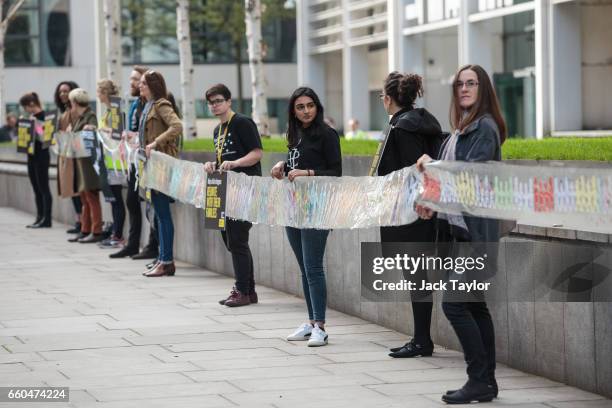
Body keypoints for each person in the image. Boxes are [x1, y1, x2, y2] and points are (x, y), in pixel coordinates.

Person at [416, 64, 506, 404]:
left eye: (471, 83)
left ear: (483, 90)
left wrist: (432, 164)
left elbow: (469, 178)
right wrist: (432, 203)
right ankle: (487, 383)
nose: (464, 89)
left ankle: (478, 378)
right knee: (475, 306)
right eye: (460, 84)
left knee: (454, 305)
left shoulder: (484, 128)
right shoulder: (462, 128)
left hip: (476, 236)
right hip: (461, 232)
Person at [377, 72, 445, 359]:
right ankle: (420, 339)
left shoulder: (403, 128)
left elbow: (412, 169)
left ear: (389, 99)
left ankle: (421, 340)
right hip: (421, 211)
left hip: (411, 213)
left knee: (416, 278)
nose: (382, 100)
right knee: (419, 277)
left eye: (382, 95)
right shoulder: (421, 122)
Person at [271, 87, 341, 346]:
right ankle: (311, 322)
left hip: (317, 209)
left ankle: (320, 327)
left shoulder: (327, 134)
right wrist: (282, 166)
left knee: (313, 267)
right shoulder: (295, 134)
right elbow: (295, 165)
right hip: (294, 208)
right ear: (293, 111)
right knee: (304, 269)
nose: (306, 111)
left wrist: (307, 173)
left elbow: (335, 172)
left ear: (317, 106)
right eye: (300, 107)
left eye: (310, 105)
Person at [203, 84, 263, 307]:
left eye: (218, 101)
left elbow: (257, 154)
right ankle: (249, 290)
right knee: (230, 240)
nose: (214, 105)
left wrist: (236, 163)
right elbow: (221, 159)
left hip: (244, 190)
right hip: (222, 189)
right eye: (210, 103)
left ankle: (242, 290)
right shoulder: (217, 131)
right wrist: (212, 164)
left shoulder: (242, 122)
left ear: (229, 101)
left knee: (238, 240)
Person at [110, 65, 157, 259]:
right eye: (132, 79)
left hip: (149, 160)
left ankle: (153, 247)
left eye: (136, 79)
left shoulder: (155, 103)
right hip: (134, 160)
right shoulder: (137, 103)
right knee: (132, 200)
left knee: (152, 204)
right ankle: (133, 243)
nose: (132, 83)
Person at [139, 70, 182, 277]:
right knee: (157, 213)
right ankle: (162, 258)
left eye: (144, 84)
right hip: (150, 165)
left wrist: (156, 143)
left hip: (162, 165)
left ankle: (166, 261)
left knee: (163, 214)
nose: (140, 86)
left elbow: (177, 126)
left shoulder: (161, 104)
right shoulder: (147, 106)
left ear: (153, 86)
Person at [66, 88, 105, 243]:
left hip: (89, 164)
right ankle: (85, 229)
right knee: (85, 197)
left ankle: (96, 231)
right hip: (81, 163)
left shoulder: (90, 116)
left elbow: (93, 132)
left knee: (91, 197)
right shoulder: (80, 117)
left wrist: (91, 129)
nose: (70, 105)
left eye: (71, 102)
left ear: (75, 102)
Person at [96, 79, 127, 249]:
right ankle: (116, 234)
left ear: (106, 93)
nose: (98, 95)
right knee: (114, 200)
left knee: (116, 200)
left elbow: (118, 132)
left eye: (99, 91)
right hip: (108, 160)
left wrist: (103, 130)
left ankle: (118, 236)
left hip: (116, 162)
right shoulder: (108, 111)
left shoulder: (115, 109)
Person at [19, 92, 52, 228]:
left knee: (44, 187)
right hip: (31, 156)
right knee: (36, 188)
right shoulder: (29, 117)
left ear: (31, 105)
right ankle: (39, 216)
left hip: (42, 156)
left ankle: (47, 219)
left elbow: (46, 138)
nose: (25, 110)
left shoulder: (46, 116)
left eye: (25, 107)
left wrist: (35, 124)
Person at [54, 80, 83, 234]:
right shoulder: (64, 111)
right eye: (60, 92)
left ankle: (83, 223)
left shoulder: (76, 110)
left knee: (78, 190)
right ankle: (79, 221)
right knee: (71, 190)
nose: (63, 94)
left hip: (76, 156)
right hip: (66, 154)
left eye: (66, 91)